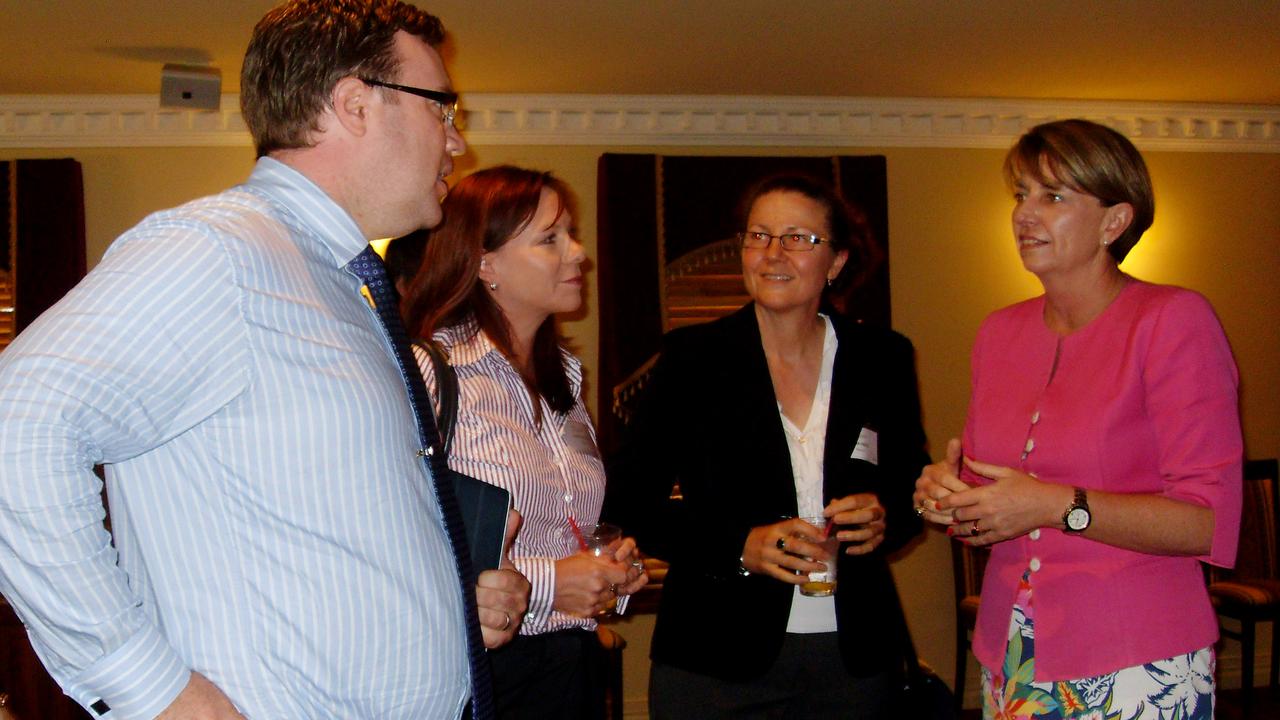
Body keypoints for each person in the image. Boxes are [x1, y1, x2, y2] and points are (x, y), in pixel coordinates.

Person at [0, 2, 530, 718]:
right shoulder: (220, 251)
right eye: (442, 107)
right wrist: (153, 690)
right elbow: (17, 426)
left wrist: (451, 610)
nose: (457, 141)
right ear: (353, 104)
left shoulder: (338, 285)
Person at [915, 119, 1242, 719]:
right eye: (1021, 196)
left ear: (1114, 221)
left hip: (1137, 657)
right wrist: (952, 499)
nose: (1025, 214)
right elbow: (1000, 505)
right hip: (1012, 652)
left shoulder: (1172, 320)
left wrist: (1055, 504)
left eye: (1054, 196)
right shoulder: (998, 332)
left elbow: (1208, 524)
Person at [605, 173, 930, 718]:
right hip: (714, 659)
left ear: (838, 261)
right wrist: (740, 545)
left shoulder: (882, 357)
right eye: (758, 236)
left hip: (854, 657)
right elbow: (629, 504)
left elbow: (908, 488)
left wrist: (885, 515)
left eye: (799, 238)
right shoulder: (692, 359)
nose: (773, 253)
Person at [403, 165, 648, 719]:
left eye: (572, 234)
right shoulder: (432, 374)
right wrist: (551, 582)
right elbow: (407, 543)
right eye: (550, 239)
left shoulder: (564, 373)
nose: (579, 253)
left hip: (574, 668)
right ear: (485, 263)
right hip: (487, 673)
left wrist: (605, 569)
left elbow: (561, 527)